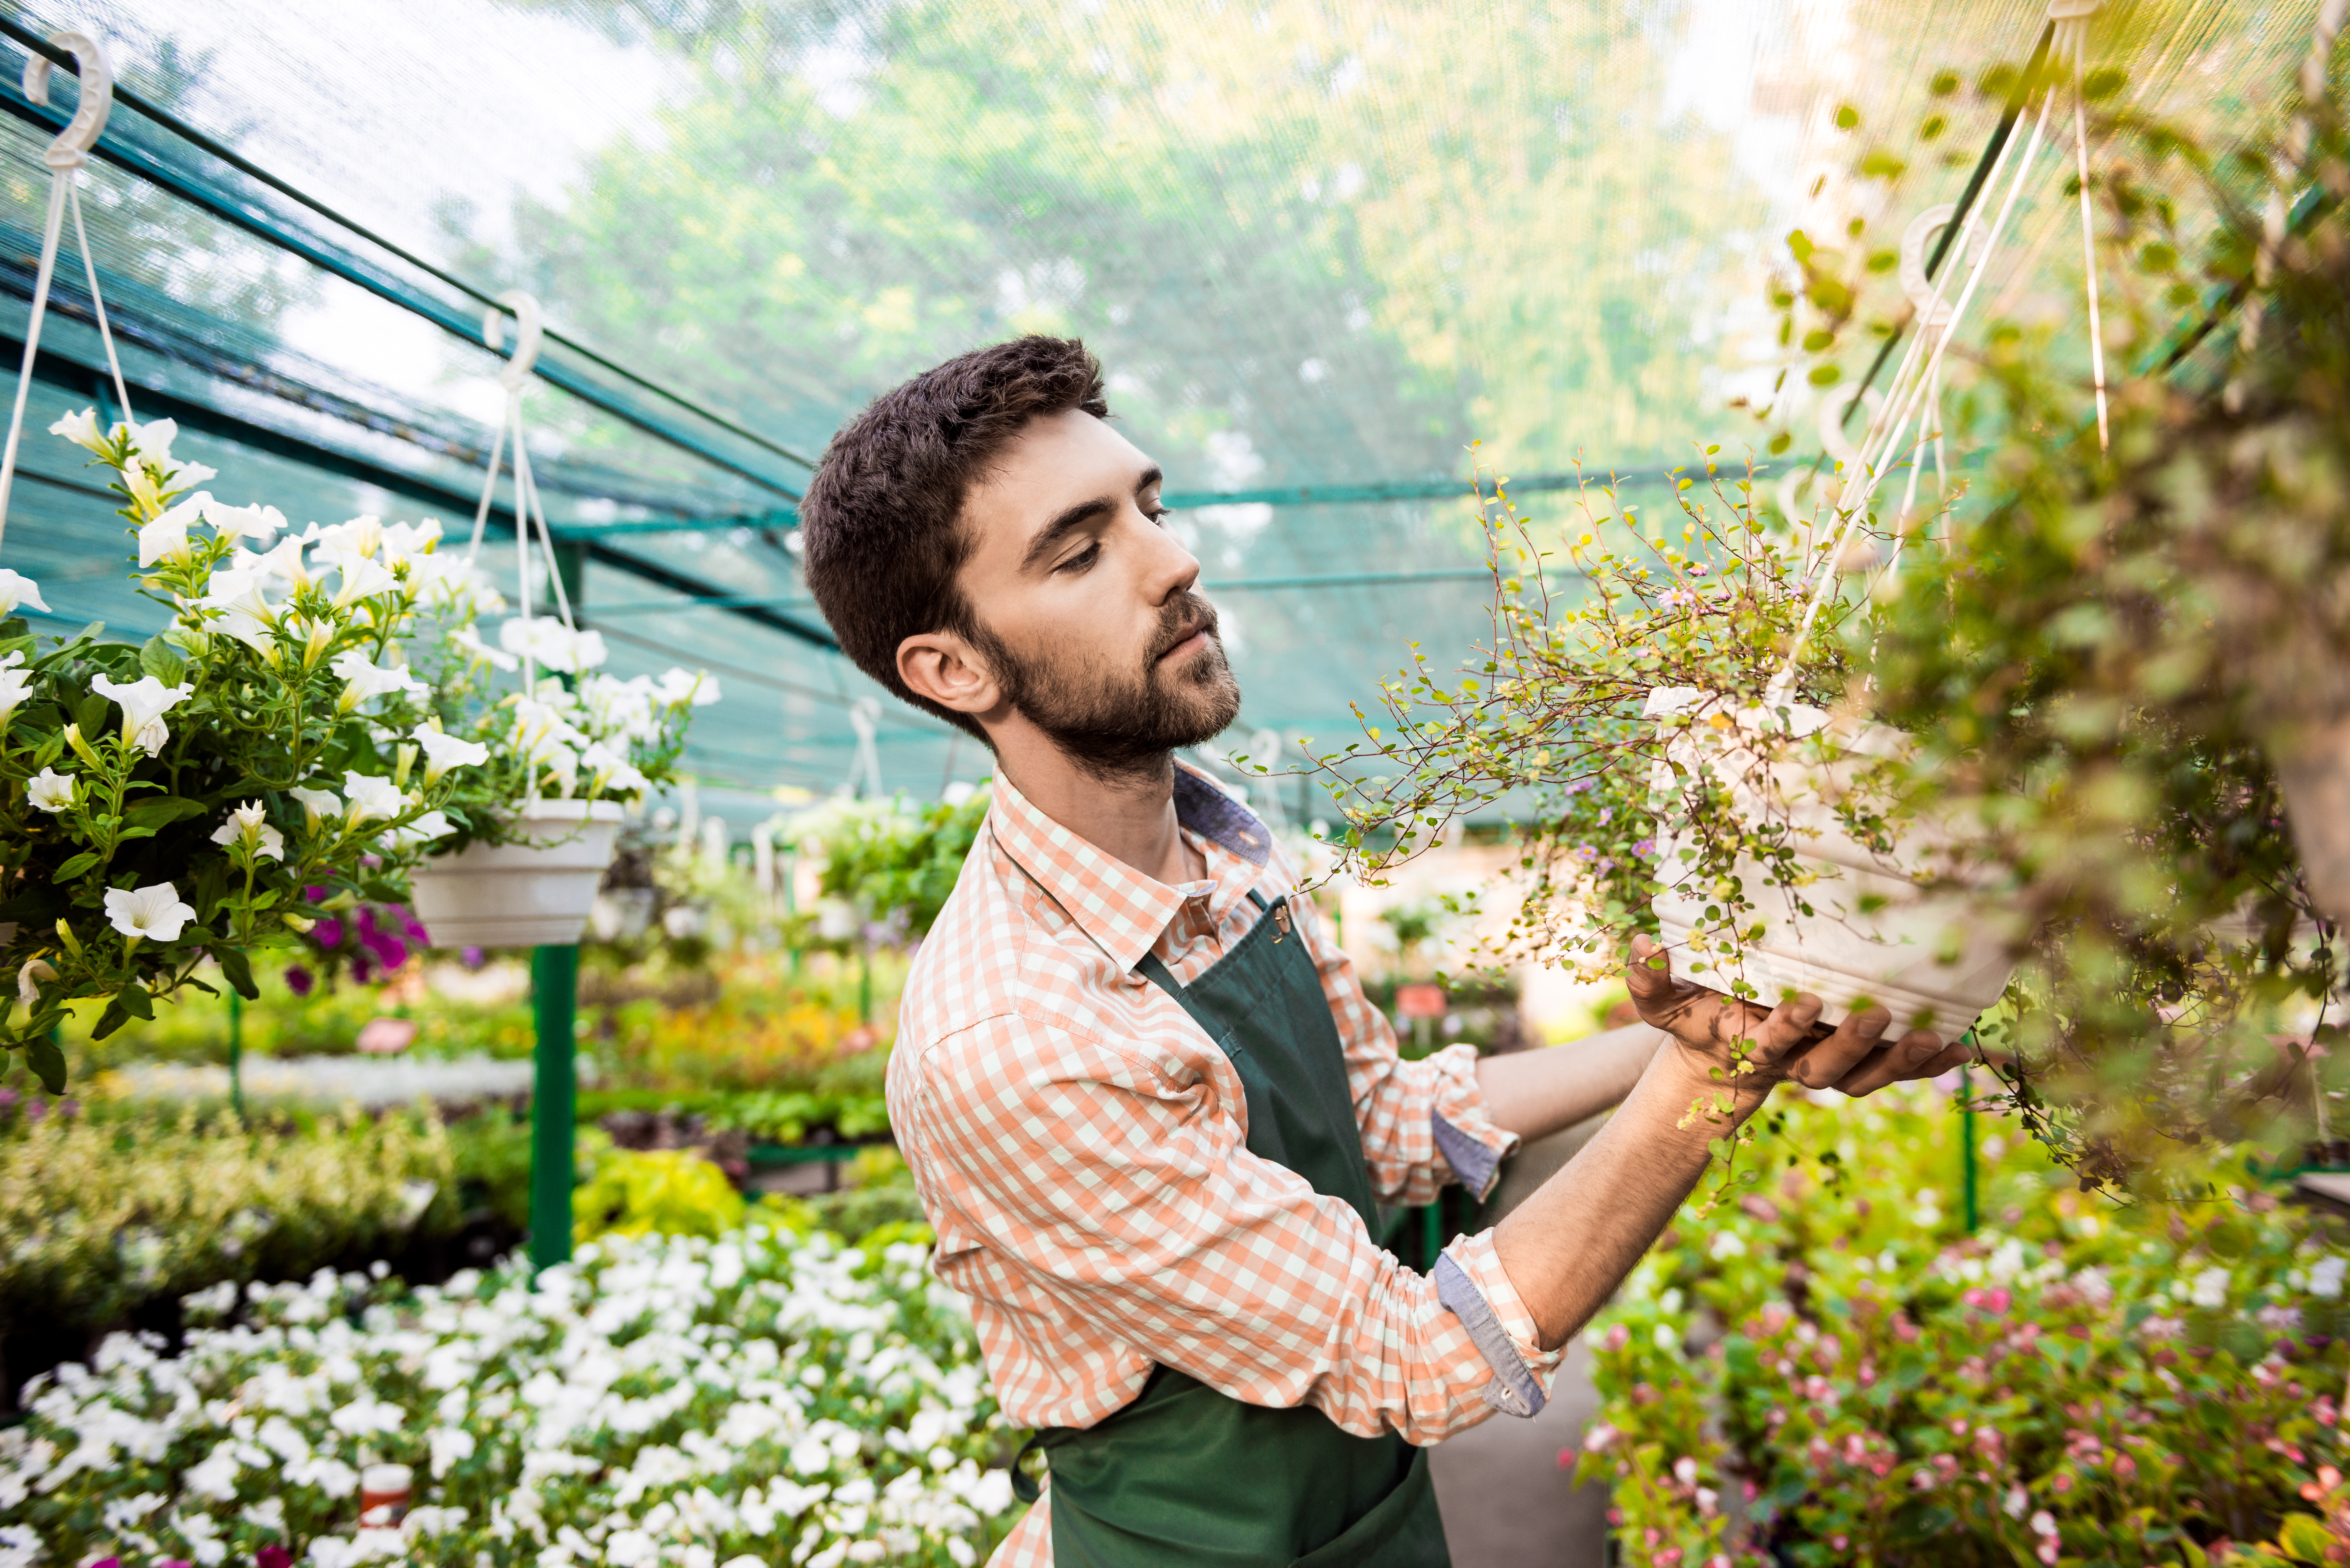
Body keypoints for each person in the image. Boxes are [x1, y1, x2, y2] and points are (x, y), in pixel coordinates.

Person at [797, 336, 1971, 1567]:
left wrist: (1693, 1034)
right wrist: (1710, 1084)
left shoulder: (1227, 858)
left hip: (1378, 1527)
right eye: (1083, 550)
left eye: (1151, 506)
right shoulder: (1016, 1035)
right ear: (953, 667)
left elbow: (1390, 1125)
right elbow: (1424, 1358)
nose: (1175, 560)